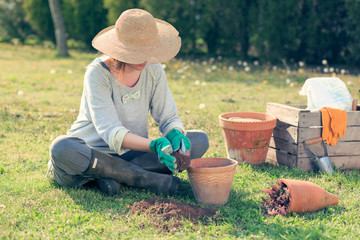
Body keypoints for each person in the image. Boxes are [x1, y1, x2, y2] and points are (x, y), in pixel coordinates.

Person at [46, 8, 209, 196]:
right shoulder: (97, 73)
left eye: (148, 49)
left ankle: (115, 176)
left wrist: (175, 136)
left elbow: (168, 117)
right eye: (137, 51)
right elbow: (110, 131)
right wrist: (153, 145)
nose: (145, 58)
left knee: (199, 141)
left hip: (131, 154)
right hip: (89, 155)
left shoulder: (153, 69)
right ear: (121, 48)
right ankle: (141, 178)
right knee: (62, 147)